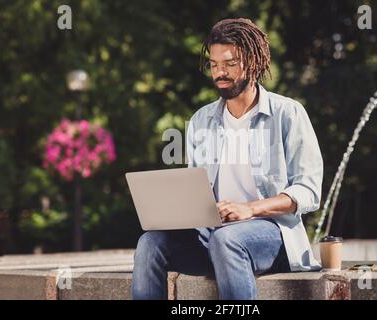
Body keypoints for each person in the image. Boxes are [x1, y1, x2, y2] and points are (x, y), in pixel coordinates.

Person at [132, 18, 323, 300]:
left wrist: (250, 209)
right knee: (151, 242)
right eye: (214, 64)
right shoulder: (201, 120)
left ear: (253, 64)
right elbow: (197, 191)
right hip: (213, 235)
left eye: (230, 63)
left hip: (273, 234)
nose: (220, 72)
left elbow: (308, 191)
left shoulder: (288, 114)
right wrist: (178, 211)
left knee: (227, 239)